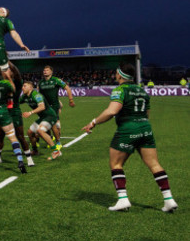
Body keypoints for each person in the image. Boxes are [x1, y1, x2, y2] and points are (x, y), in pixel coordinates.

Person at [82, 63, 177, 212]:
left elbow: (111, 111)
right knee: (154, 164)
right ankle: (169, 199)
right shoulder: (142, 90)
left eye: (116, 73)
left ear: (120, 75)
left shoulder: (120, 90)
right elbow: (147, 114)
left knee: (116, 164)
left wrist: (93, 122)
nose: (115, 75)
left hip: (127, 129)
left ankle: (123, 199)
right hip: (145, 128)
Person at [0, 63, 34, 166]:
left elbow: (16, 71)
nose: (7, 70)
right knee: (0, 135)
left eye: (9, 70)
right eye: (5, 69)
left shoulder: (18, 83)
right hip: (3, 112)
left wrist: (8, 62)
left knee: (20, 136)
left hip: (15, 112)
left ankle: (29, 159)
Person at [21, 81, 62, 161]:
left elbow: (42, 107)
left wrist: (30, 112)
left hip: (50, 116)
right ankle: (35, 150)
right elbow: (16, 102)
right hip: (43, 117)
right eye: (22, 86)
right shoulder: (24, 96)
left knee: (40, 131)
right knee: (29, 132)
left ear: (30, 87)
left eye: (25, 86)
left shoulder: (36, 95)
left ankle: (56, 151)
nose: (23, 87)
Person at [38, 66, 75, 149]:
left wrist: (71, 100)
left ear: (51, 72)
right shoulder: (40, 83)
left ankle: (58, 142)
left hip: (54, 106)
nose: (45, 71)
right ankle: (50, 139)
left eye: (47, 70)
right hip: (44, 107)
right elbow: (39, 95)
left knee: (54, 124)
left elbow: (67, 88)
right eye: (44, 70)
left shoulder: (56, 80)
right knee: (47, 124)